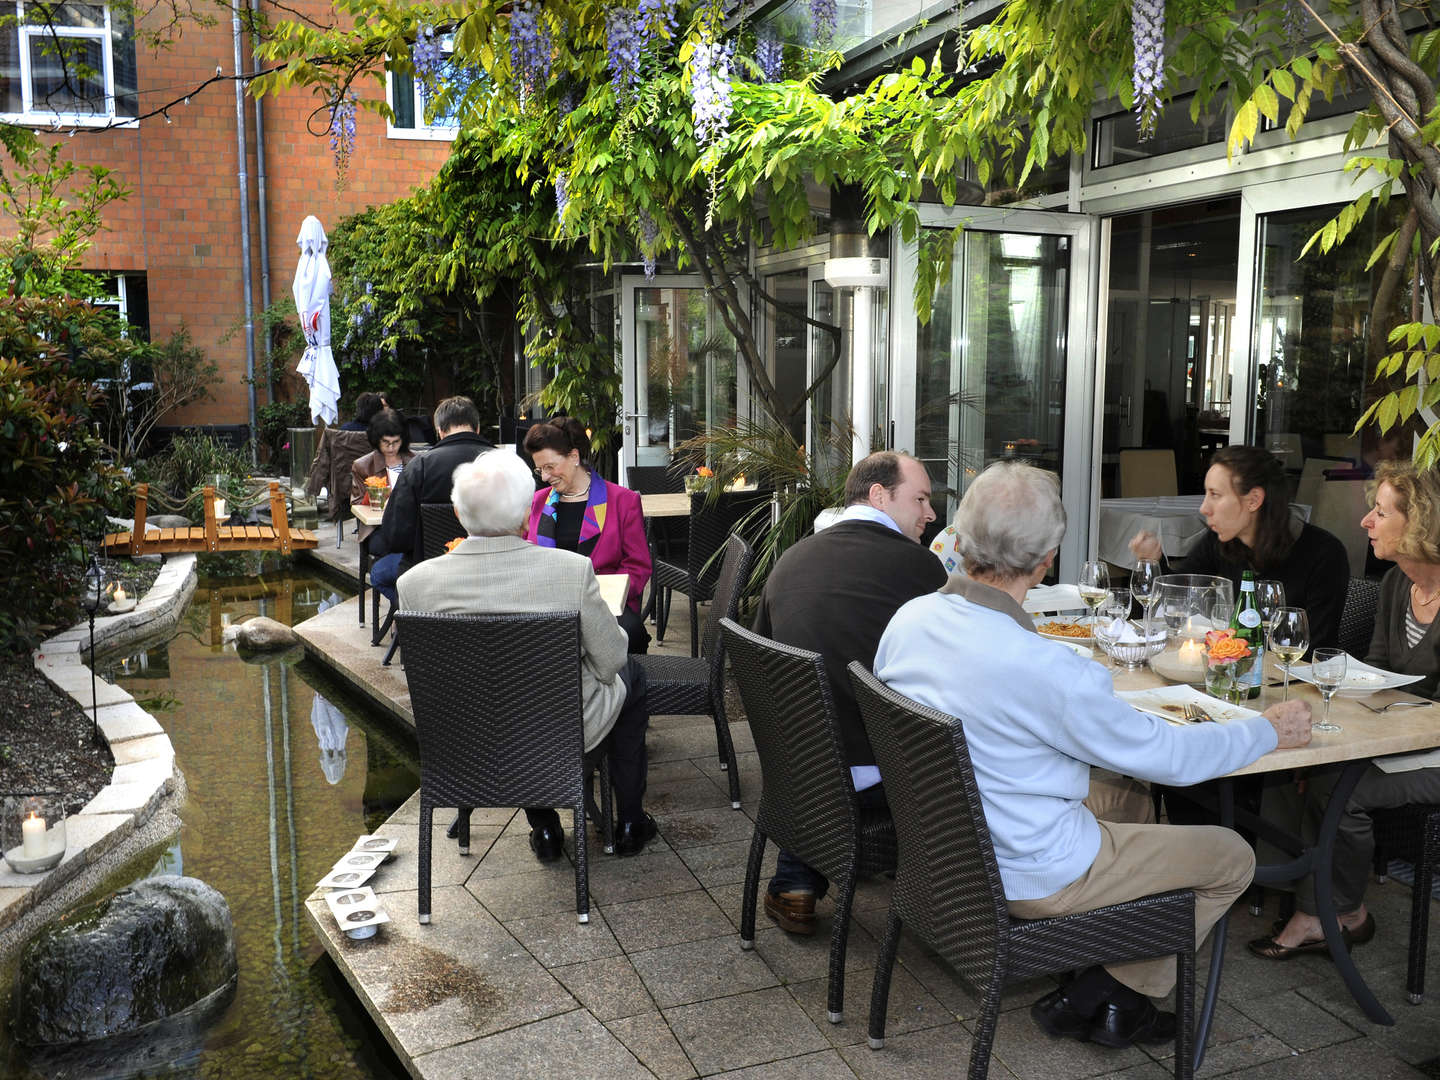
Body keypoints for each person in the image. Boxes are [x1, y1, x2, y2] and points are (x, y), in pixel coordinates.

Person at [876, 461, 1312, 1049]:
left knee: (1127, 794)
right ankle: (1115, 994)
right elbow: (1170, 757)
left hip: (944, 849)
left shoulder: (909, 618)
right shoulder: (1042, 666)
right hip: (1031, 869)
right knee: (1231, 855)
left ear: (959, 534)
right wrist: (1265, 731)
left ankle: (1100, 981)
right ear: (1046, 558)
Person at [396, 450, 657, 859]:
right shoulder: (570, 571)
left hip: (466, 741)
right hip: (563, 735)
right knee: (631, 676)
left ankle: (547, 827)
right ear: (524, 517)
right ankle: (629, 819)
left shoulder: (414, 584)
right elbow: (609, 663)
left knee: (505, 698)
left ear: (460, 515)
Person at [751, 450, 947, 936]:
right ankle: (959, 899)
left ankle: (796, 883)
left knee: (834, 726)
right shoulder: (920, 569)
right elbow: (952, 674)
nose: (932, 515)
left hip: (795, 767)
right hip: (877, 772)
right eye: (920, 499)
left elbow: (761, 655)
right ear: (879, 496)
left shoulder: (792, 559)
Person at [1251, 460, 1440, 959]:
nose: (1366, 522)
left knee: (1341, 787)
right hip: (1400, 732)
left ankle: (1340, 912)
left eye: (1380, 511)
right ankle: (1285, 888)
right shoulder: (1399, 584)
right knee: (1298, 754)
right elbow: (1377, 668)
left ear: (1420, 522)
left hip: (1433, 751)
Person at [1130, 444, 1350, 647]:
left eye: (1215, 495)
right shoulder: (1220, 541)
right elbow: (1178, 603)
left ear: (1253, 500)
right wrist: (1153, 564)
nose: (1204, 508)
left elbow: (1315, 652)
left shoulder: (1324, 555)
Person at [523, 418, 653, 654]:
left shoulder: (622, 501)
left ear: (573, 457)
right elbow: (523, 556)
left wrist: (600, 596)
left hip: (605, 608)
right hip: (548, 607)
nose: (544, 477)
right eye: (540, 469)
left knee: (630, 635)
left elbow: (638, 566)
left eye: (550, 467)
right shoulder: (537, 502)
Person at [369, 396, 494, 603]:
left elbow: (395, 536)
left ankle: (413, 617)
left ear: (440, 431)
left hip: (427, 571)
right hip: (492, 571)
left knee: (379, 573)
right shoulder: (504, 463)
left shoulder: (420, 467)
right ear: (477, 428)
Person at [349, 408, 415, 545]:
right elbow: (357, 504)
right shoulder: (363, 466)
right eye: (386, 442)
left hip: (411, 524)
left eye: (396, 442)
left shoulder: (416, 461)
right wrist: (375, 496)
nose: (391, 448)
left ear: (403, 440)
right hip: (378, 527)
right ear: (376, 440)